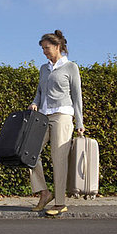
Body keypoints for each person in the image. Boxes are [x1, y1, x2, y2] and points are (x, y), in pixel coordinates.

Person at [29, 30, 84, 216]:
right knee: (29, 152)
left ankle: (60, 203)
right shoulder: (44, 68)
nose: (44, 51)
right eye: (42, 48)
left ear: (57, 46)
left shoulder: (71, 67)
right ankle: (45, 193)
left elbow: (77, 96)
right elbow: (39, 91)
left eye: (47, 48)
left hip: (63, 115)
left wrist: (79, 122)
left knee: (59, 160)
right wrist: (35, 102)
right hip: (44, 116)